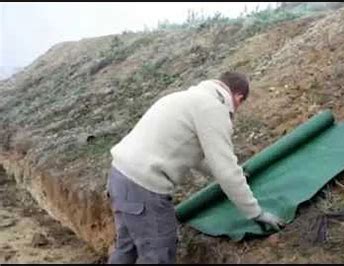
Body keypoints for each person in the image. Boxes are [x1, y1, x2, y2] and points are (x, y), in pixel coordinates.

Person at [106, 71, 285, 264]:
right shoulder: (213, 109)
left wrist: (234, 173)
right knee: (159, 254)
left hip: (119, 177)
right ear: (238, 98)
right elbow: (226, 171)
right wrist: (256, 212)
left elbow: (196, 156)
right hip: (144, 188)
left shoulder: (184, 98)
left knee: (127, 248)